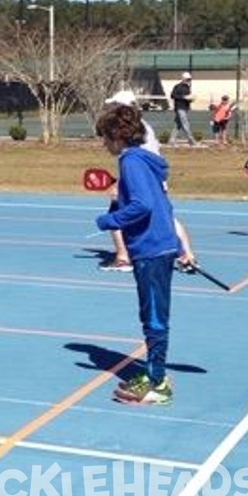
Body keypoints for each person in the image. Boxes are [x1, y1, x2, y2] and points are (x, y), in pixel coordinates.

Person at [94, 103, 180, 406]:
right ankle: (153, 371)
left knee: (155, 318)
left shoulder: (131, 162)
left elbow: (143, 205)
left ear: (117, 136)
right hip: (158, 244)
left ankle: (159, 384)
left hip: (151, 248)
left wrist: (109, 220)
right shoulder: (144, 160)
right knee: (150, 315)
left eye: (105, 137)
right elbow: (164, 205)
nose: (103, 144)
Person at [100, 91, 196, 272]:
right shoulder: (142, 127)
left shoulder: (130, 133)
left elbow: (135, 162)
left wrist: (120, 184)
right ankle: (186, 255)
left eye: (115, 106)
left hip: (143, 179)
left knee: (119, 212)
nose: (111, 109)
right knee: (167, 217)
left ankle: (123, 257)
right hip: (152, 177)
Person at [169, 71, 197, 146]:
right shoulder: (178, 86)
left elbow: (187, 99)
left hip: (185, 108)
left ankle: (172, 140)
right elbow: (173, 95)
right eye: (187, 79)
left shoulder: (188, 88)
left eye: (189, 79)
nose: (189, 80)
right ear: (183, 79)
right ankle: (191, 140)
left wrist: (191, 99)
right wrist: (184, 97)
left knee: (177, 125)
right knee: (185, 124)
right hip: (179, 107)